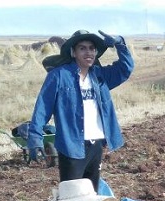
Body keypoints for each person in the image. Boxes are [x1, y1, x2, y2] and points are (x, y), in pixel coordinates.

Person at [27, 29, 134, 189]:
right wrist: (35, 138)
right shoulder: (58, 76)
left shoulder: (100, 76)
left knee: (91, 195)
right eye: (82, 48)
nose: (88, 52)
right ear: (73, 52)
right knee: (71, 197)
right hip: (71, 145)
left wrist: (119, 43)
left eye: (92, 48)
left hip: (96, 144)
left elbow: (126, 68)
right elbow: (43, 107)